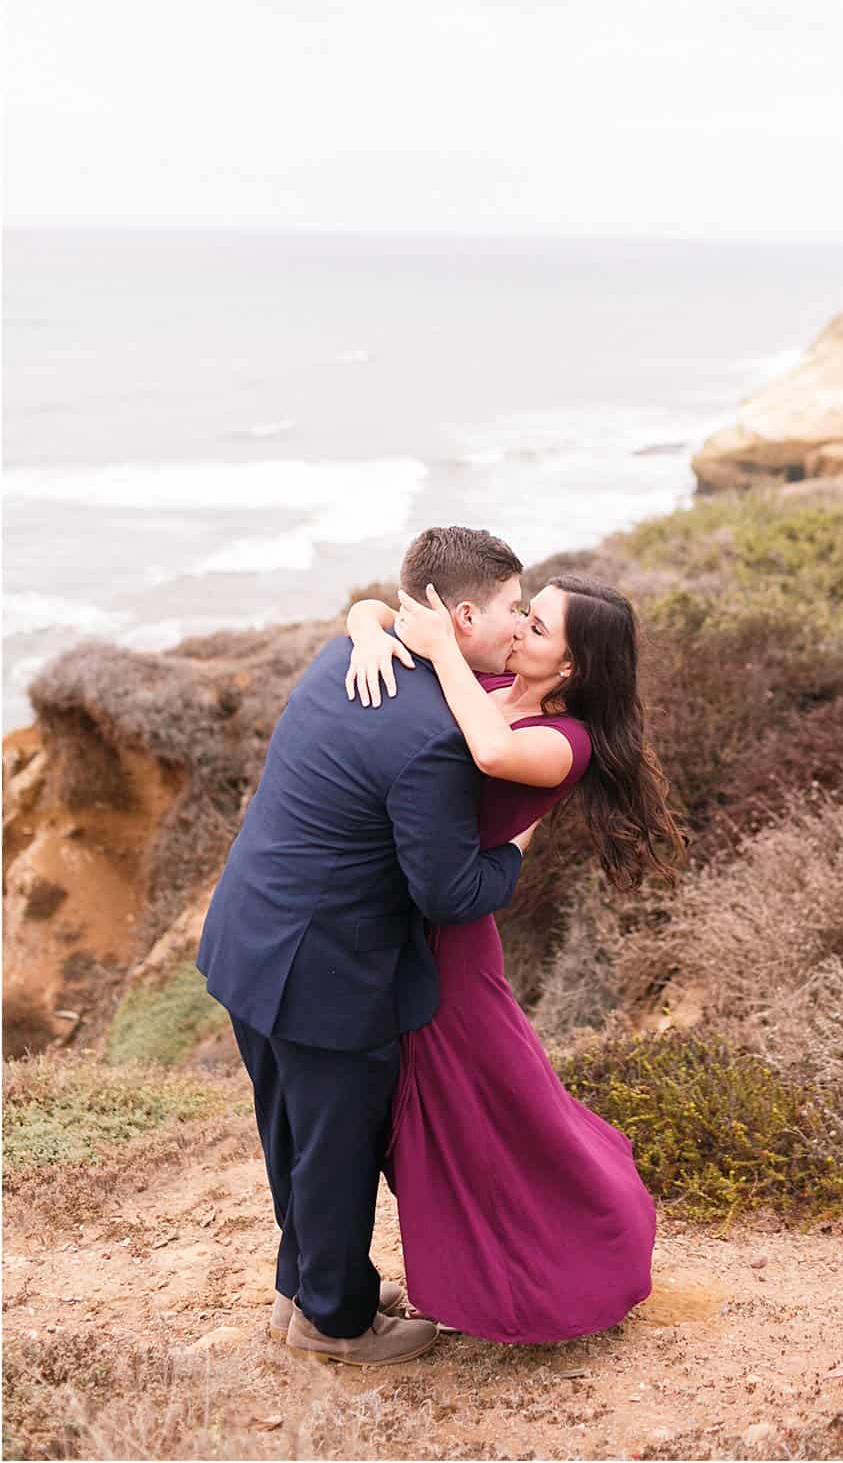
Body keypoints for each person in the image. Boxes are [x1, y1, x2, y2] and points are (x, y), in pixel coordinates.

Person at [196, 526, 535, 1367]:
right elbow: (448, 893)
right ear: (461, 615)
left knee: (292, 1131)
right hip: (324, 969)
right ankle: (336, 1322)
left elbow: (373, 615)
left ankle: (305, 1286)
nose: (520, 625)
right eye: (512, 610)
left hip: (248, 934)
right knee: (336, 1144)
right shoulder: (431, 735)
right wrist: (520, 845)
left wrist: (361, 617)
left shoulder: (350, 653)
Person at [345, 569, 685, 1343]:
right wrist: (372, 632)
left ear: (570, 669)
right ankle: (453, 1268)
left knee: (497, 1110)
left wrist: (442, 655)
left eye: (538, 627)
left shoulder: (567, 743)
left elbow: (493, 753)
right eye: (525, 613)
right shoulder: (492, 675)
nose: (519, 626)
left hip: (455, 944)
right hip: (403, 924)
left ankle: (577, 1262)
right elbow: (374, 601)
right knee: (453, 1114)